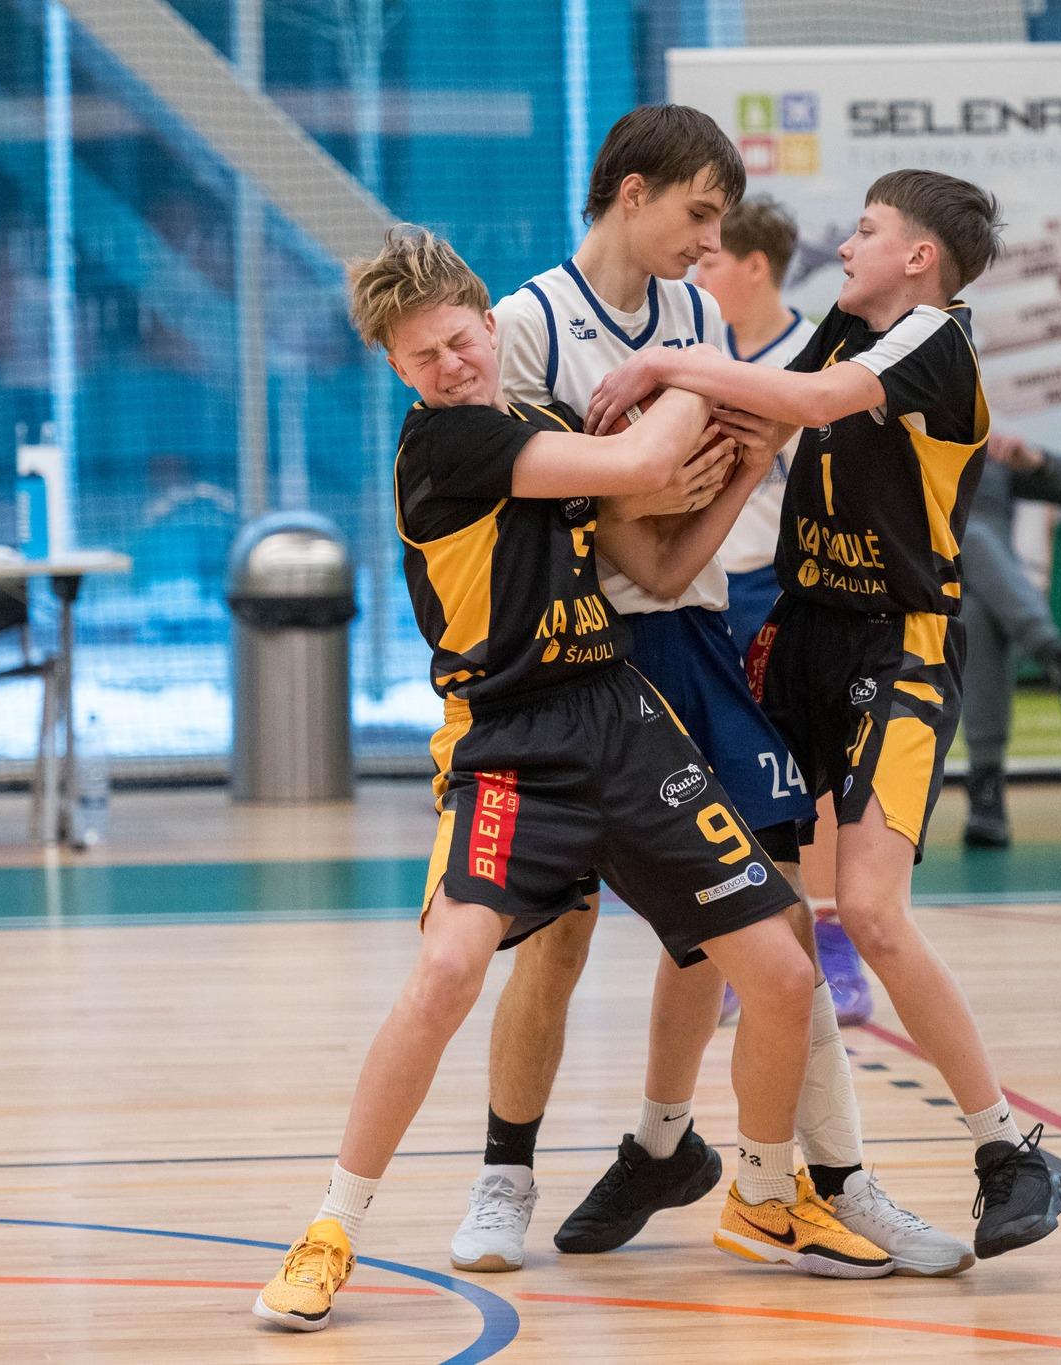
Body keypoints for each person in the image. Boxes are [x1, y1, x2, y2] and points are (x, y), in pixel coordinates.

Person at [252, 227, 888, 1334]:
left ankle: (760, 1193)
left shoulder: (541, 423)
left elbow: (660, 565)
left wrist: (746, 462)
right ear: (396, 370)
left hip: (619, 716)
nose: (449, 366)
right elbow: (640, 468)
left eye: (458, 341)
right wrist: (702, 364)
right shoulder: (446, 445)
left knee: (784, 977)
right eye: (421, 357)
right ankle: (330, 1228)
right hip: (509, 740)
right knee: (448, 969)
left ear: (485, 322)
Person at [459, 108, 967, 1278]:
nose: (708, 242)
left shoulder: (692, 318)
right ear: (630, 192)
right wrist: (640, 491)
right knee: (559, 936)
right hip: (568, 655)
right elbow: (525, 502)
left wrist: (686, 486)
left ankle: (801, 1177)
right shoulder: (525, 324)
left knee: (765, 921)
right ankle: (506, 1176)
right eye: (696, 214)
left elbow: (706, 490)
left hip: (689, 629)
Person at [587, 168, 1061, 1259]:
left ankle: (1007, 1151)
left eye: (864, 230)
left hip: (897, 649)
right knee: (724, 906)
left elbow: (799, 407)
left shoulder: (932, 339)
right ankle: (669, 1146)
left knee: (871, 911)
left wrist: (660, 361)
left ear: (919, 258)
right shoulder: (847, 332)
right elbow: (768, 422)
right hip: (799, 636)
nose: (843, 248)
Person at [695, 195, 875, 1027]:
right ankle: (757, 940)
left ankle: (832, 939)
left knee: (815, 774)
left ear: (756, 266)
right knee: (730, 774)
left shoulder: (816, 362)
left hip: (789, 586)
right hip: (705, 586)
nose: (698, 273)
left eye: (711, 260)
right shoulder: (698, 356)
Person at [958, 430, 1061, 848]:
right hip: (918, 585)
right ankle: (1057, 655)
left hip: (982, 596)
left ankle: (986, 787)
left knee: (978, 609)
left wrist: (1039, 462)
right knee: (966, 533)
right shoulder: (900, 450)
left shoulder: (989, 455)